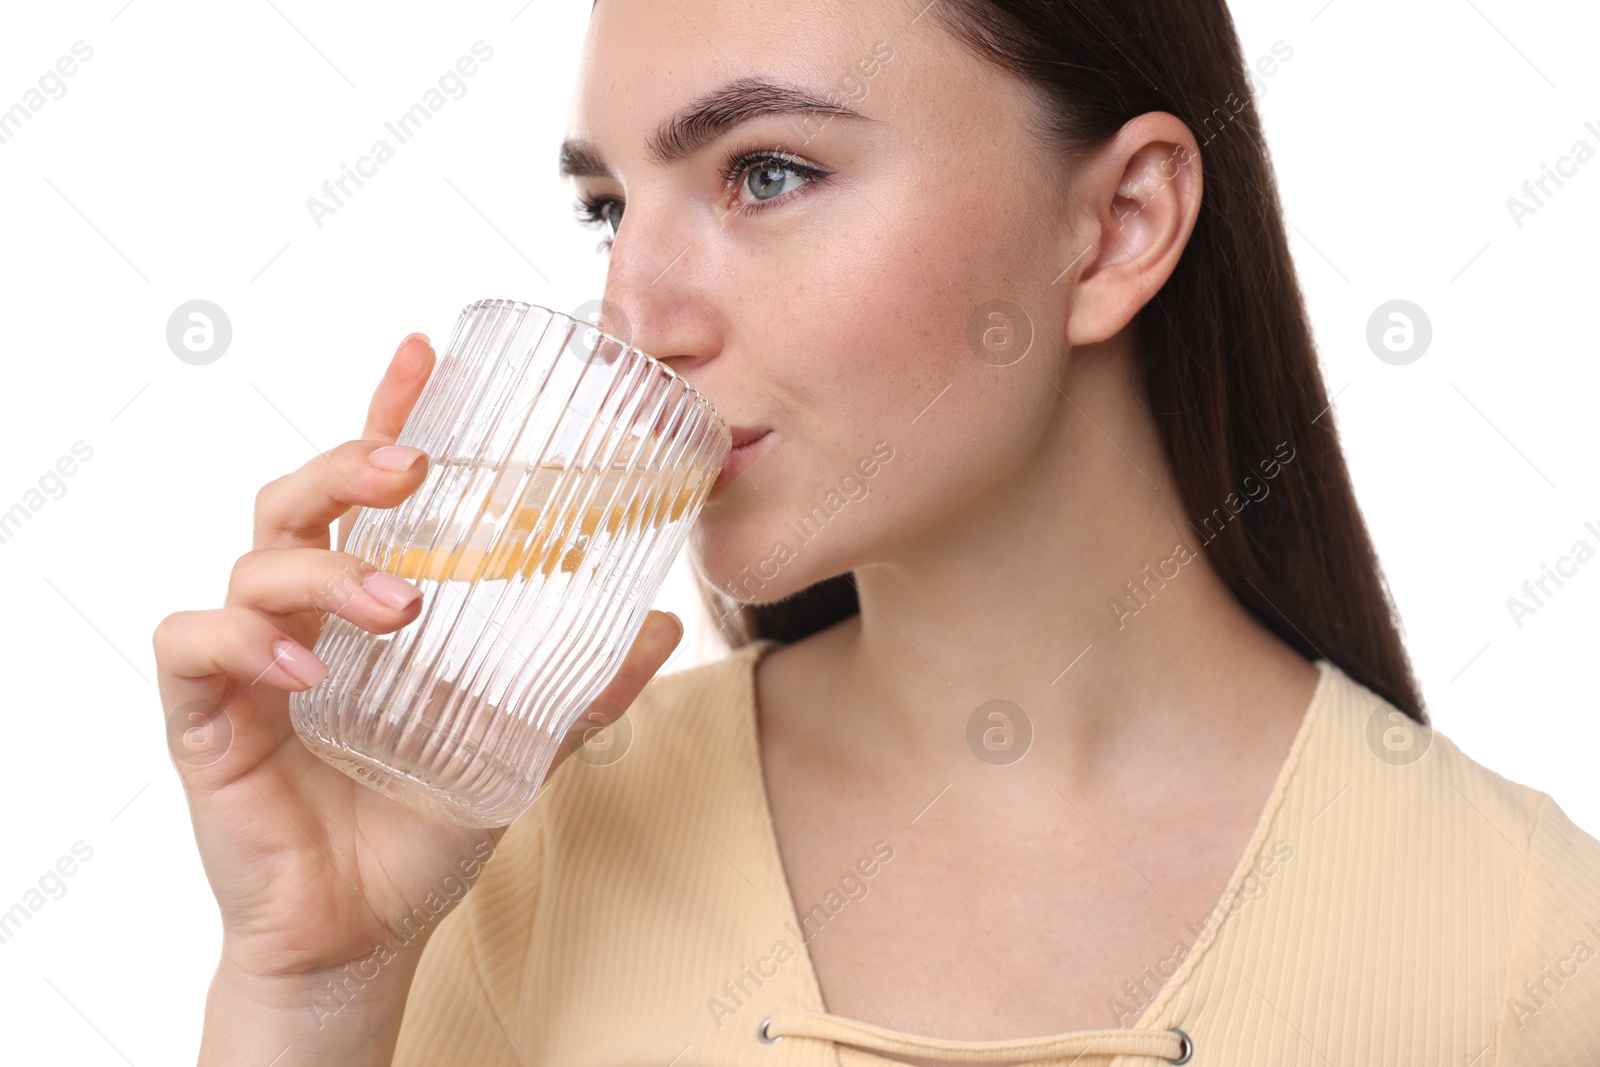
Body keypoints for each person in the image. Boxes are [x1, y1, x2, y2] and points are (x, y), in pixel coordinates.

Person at [153, 0, 1600, 1063]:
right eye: (611, 209)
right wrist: (310, 983)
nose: (638, 322)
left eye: (766, 174)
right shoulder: (509, 844)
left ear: (1118, 227)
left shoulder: (1528, 946)